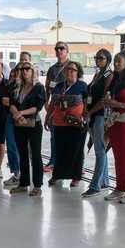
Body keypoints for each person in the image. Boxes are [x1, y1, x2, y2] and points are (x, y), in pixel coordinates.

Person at [102, 51, 125, 204]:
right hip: (114, 122)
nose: (116, 64)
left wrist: (119, 104)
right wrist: (108, 102)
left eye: (119, 61)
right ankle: (120, 187)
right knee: (118, 157)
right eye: (115, 61)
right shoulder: (115, 80)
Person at [46, 61, 89, 187]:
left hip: (76, 124)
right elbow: (52, 103)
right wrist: (47, 118)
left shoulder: (82, 86)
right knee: (60, 151)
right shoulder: (59, 86)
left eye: (73, 70)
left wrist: (85, 117)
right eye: (68, 69)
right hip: (59, 123)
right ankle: (58, 175)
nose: (70, 71)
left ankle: (76, 176)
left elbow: (87, 103)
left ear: (78, 73)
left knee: (75, 151)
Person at [9, 62, 47, 196]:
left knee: (35, 154)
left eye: (27, 69)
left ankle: (37, 185)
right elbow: (11, 103)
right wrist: (17, 114)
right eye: (22, 69)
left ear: (33, 71)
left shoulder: (38, 87)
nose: (24, 71)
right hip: (19, 123)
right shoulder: (18, 86)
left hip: (33, 123)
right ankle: (23, 183)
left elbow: (38, 106)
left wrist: (22, 113)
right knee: (22, 153)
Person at [82, 49, 114, 198]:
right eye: (96, 58)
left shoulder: (108, 75)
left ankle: (95, 185)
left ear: (108, 59)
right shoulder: (98, 74)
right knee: (100, 149)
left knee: (100, 150)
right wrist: (87, 109)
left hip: (100, 115)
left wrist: (90, 111)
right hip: (93, 115)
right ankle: (104, 180)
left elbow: (104, 99)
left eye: (101, 58)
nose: (98, 60)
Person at [44, 41, 71, 171]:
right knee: (54, 136)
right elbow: (47, 87)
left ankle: (74, 163)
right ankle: (53, 161)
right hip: (54, 108)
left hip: (68, 108)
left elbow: (80, 86)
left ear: (67, 51)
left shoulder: (72, 66)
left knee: (71, 136)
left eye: (61, 48)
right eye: (56, 49)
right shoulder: (52, 69)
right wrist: (46, 104)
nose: (59, 51)